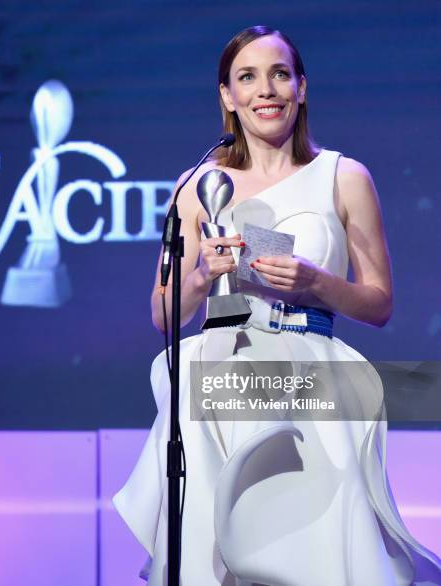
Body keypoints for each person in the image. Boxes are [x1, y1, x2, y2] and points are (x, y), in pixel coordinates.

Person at [113, 25, 441, 586]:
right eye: (247, 77)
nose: (266, 90)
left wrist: (314, 281)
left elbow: (379, 303)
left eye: (280, 74)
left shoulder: (344, 176)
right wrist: (201, 274)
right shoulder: (196, 186)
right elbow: (164, 315)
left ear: (302, 88)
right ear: (227, 97)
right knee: (219, 549)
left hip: (311, 382)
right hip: (219, 375)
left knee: (314, 548)